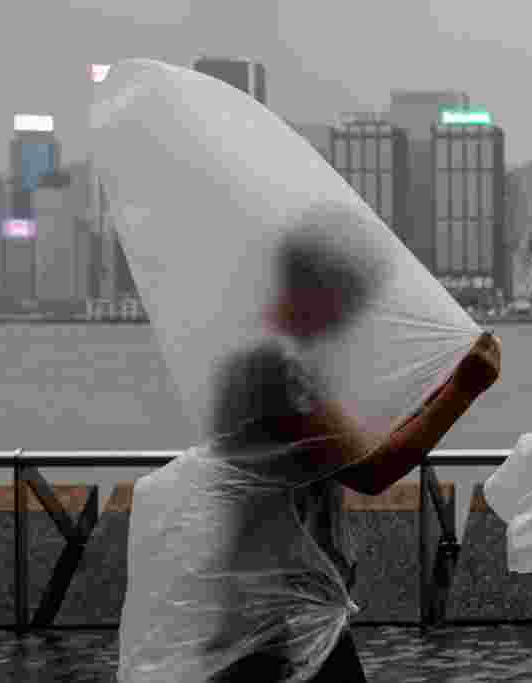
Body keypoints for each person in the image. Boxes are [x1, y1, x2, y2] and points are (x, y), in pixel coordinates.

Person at [200, 231, 502, 682]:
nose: (356, 312)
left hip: (268, 600)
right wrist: (462, 391)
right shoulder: (281, 368)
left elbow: (354, 447)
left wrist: (435, 393)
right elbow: (372, 470)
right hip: (281, 612)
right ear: (317, 292)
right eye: (349, 294)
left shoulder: (259, 358)